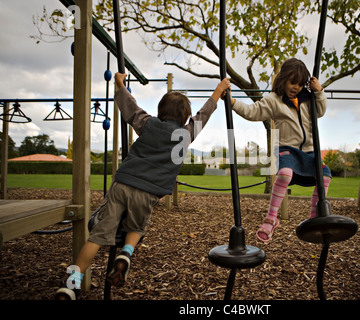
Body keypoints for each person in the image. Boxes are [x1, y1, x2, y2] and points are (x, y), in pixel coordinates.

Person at [55, 73, 231, 300]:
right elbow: (204, 114)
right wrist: (218, 90)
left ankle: (70, 285)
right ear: (186, 116)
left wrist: (120, 83)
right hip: (148, 192)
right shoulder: (186, 134)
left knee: (96, 237)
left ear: (160, 112)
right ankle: (126, 254)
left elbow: (130, 107)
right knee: (136, 228)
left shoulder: (148, 123)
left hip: (123, 183)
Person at [229, 58, 330, 243]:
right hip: (287, 149)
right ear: (283, 79)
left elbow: (321, 111)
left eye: (300, 84)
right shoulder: (274, 100)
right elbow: (253, 112)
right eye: (292, 82)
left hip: (309, 151)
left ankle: (314, 218)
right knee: (284, 174)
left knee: (325, 176)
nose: (296, 87)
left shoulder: (309, 99)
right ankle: (271, 218)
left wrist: (319, 91)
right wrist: (233, 102)